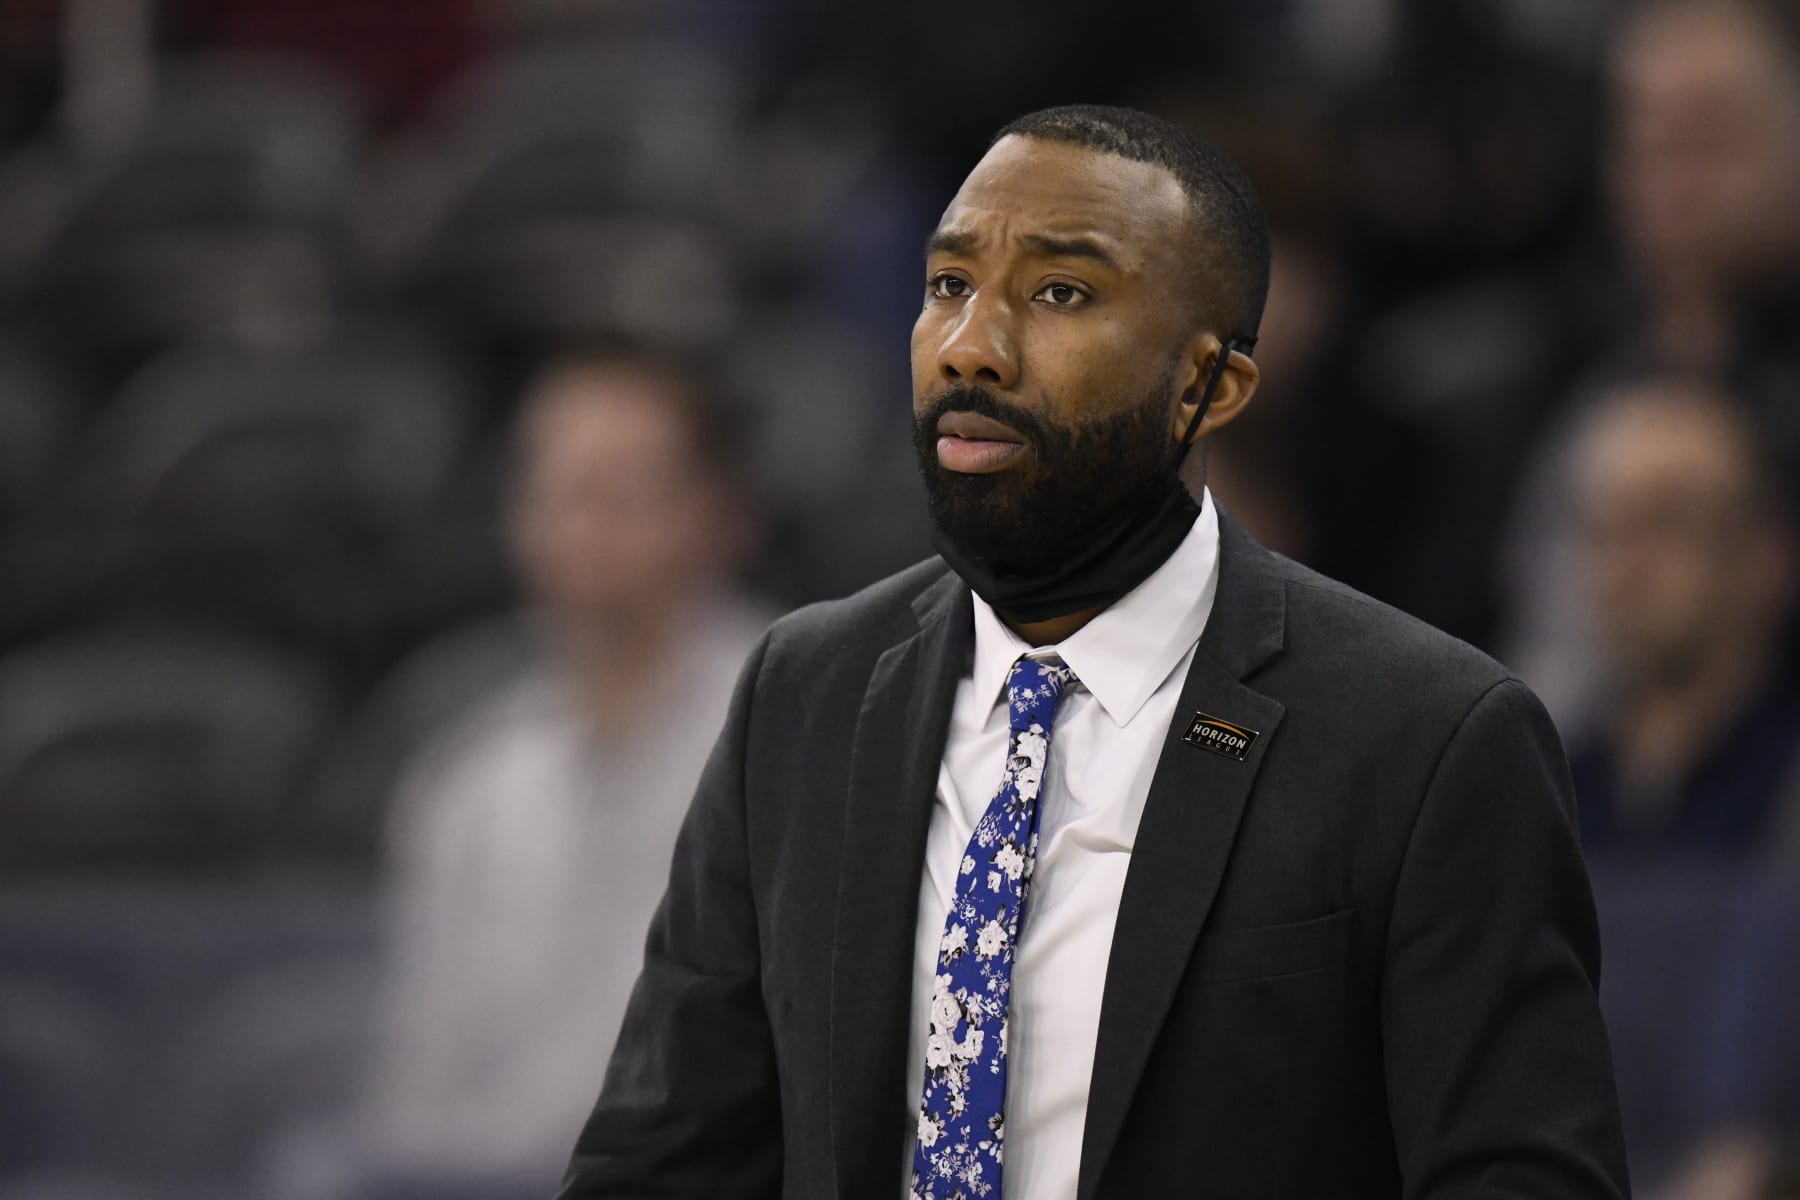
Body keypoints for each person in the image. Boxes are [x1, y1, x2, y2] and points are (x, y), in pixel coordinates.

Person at [560, 106, 1628, 1197]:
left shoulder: (1426, 740)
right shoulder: (808, 693)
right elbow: (661, 1165)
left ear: (1207, 388)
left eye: (1061, 293)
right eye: (948, 285)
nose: (973, 343)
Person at [351, 348, 771, 1190]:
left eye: (614, 490)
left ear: (712, 514)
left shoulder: (808, 733)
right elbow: (413, 1089)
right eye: (549, 487)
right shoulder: (471, 784)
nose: (574, 522)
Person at [1560, 379, 1800, 857]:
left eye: (1664, 523)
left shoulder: (1784, 789)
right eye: (1605, 528)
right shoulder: (1554, 785)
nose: (1622, 566)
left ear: (1765, 558)